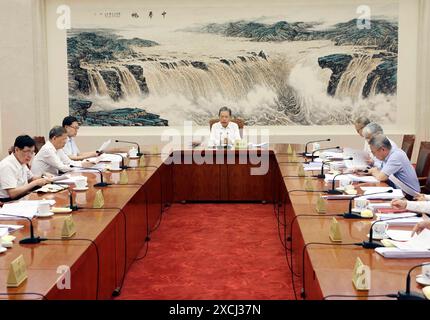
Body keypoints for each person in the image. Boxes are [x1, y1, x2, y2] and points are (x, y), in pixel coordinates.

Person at [0, 135, 51, 201]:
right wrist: (35, 183)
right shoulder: (7, 165)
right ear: (17, 150)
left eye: (32, 152)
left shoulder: (22, 162)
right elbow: (12, 193)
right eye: (27, 151)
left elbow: (31, 178)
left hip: (23, 198)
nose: (30, 156)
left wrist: (43, 177)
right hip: (9, 202)